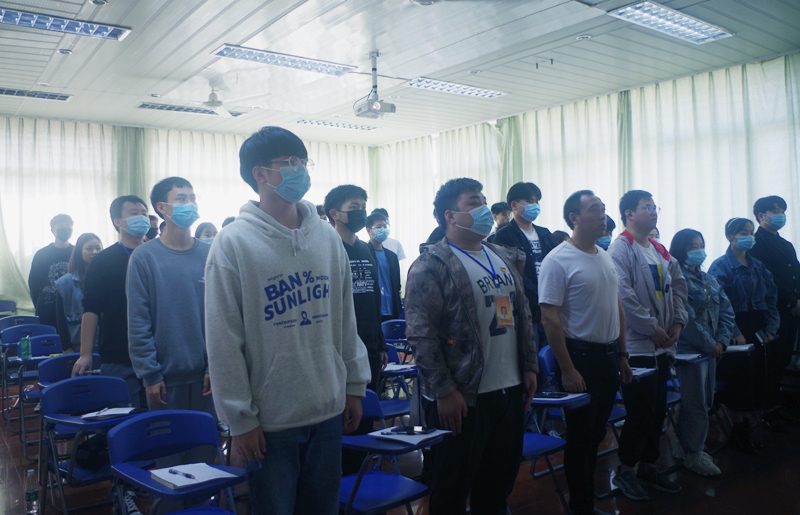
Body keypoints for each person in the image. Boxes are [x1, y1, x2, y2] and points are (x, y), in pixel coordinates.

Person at [205, 126, 370, 515]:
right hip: (270, 421)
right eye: (290, 162)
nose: (301, 170)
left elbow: (345, 319)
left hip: (328, 409)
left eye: (303, 161)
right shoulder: (232, 243)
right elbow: (223, 339)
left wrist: (354, 383)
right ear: (260, 173)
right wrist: (240, 420)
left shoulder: (326, 237)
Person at [405, 177, 538, 515]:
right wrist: (444, 391)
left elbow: (523, 315)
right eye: (474, 203)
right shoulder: (431, 264)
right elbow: (421, 335)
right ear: (450, 216)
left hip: (509, 389)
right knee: (451, 487)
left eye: (484, 201)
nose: (484, 209)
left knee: (497, 485)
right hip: (464, 395)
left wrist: (530, 366)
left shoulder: (504, 257)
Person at [539, 190, 631, 515]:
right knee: (580, 438)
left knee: (595, 435)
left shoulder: (604, 255)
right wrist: (567, 369)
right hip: (579, 359)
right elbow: (549, 317)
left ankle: (587, 501)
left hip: (608, 357)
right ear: (574, 218)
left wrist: (623, 355)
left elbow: (616, 307)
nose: (602, 215)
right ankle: (580, 507)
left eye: (603, 208)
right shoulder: (557, 260)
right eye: (594, 209)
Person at [608, 190, 687, 501]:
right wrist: (652, 329)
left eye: (655, 207)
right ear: (629, 214)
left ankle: (648, 467)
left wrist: (678, 323)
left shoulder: (658, 248)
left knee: (656, 412)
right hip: (638, 346)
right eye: (647, 207)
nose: (654, 212)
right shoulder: (621, 247)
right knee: (639, 413)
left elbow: (679, 286)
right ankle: (625, 470)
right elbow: (623, 296)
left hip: (663, 345)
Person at [71, 196, 149, 410]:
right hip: (119, 354)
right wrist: (85, 354)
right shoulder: (103, 261)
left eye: (144, 213)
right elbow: (91, 309)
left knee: (161, 421)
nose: (142, 218)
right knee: (125, 418)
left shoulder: (157, 254)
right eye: (134, 213)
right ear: (118, 221)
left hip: (158, 354)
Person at [670, 229, 736, 475]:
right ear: (680, 250)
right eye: (692, 247)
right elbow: (684, 318)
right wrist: (709, 344)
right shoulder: (677, 279)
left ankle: (686, 446)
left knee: (703, 401)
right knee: (696, 403)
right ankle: (694, 454)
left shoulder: (709, 279)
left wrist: (721, 342)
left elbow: (726, 312)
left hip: (712, 350)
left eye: (701, 245)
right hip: (689, 351)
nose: (699, 251)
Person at [709, 217, 781, 444]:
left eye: (751, 232)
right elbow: (719, 305)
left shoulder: (758, 265)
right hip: (734, 328)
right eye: (743, 232)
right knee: (739, 378)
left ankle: (754, 422)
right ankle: (739, 428)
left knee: (759, 375)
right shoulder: (720, 266)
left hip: (758, 327)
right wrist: (733, 331)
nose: (749, 236)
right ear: (730, 236)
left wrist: (771, 327)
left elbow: (771, 298)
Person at [325, 186, 388, 392]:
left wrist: (381, 344)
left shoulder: (366, 249)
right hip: (341, 344)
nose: (360, 212)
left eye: (363, 207)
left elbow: (375, 298)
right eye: (354, 207)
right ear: (334, 213)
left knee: (371, 399)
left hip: (370, 341)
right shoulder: (327, 248)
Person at [749, 195, 800, 428]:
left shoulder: (786, 244)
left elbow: (795, 274)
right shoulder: (755, 243)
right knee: (770, 361)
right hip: (772, 312)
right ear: (762, 216)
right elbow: (768, 279)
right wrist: (791, 301)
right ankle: (766, 410)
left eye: (783, 211)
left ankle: (776, 406)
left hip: (791, 311)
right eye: (776, 211)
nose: (781, 215)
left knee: (783, 359)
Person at [492, 182, 557, 349]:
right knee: (532, 354)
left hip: (552, 306)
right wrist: (539, 304)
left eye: (537, 201)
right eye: (530, 201)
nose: (535, 205)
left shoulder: (545, 233)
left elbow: (557, 268)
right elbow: (511, 275)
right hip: (526, 309)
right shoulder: (504, 236)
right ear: (514, 205)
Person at [55, 233, 102, 353]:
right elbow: (60, 320)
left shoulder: (108, 279)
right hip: (77, 348)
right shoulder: (65, 283)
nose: (94, 252)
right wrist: (67, 348)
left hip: (105, 347)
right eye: (89, 248)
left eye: (98, 248)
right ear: (79, 251)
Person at [28, 214, 74, 328]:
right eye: (61, 226)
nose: (65, 228)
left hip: (72, 309)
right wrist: (39, 306)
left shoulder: (77, 252)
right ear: (52, 230)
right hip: (47, 311)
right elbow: (34, 284)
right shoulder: (42, 254)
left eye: (68, 226)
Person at [365, 212, 402, 321]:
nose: (383, 229)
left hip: (392, 308)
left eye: (385, 226)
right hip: (373, 309)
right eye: (379, 227)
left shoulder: (392, 256)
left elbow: (397, 284)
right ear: (369, 231)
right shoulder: (364, 253)